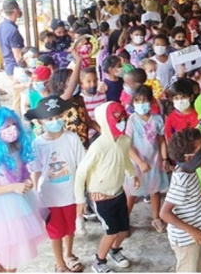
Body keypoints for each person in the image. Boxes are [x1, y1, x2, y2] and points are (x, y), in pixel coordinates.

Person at [0, 107, 47, 271]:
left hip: (18, 205)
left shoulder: (16, 148)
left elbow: (21, 172)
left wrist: (26, 182)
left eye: (13, 124)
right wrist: (13, 187)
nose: (12, 129)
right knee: (4, 257)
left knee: (15, 256)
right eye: (5, 126)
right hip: (0, 211)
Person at [74, 101, 139, 272]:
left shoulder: (124, 140)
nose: (121, 123)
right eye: (116, 120)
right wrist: (80, 200)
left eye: (122, 119)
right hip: (101, 197)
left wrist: (132, 174)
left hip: (118, 193)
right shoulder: (98, 146)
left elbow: (124, 159)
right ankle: (99, 262)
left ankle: (115, 250)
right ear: (105, 121)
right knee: (111, 232)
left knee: (124, 230)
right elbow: (81, 172)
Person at [25, 96, 86, 273]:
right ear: (40, 122)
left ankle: (69, 254)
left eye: (58, 117)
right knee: (55, 231)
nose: (55, 121)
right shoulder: (37, 144)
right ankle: (59, 263)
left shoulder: (72, 138)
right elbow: (35, 171)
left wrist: (82, 195)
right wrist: (36, 196)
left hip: (71, 194)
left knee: (70, 227)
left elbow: (82, 166)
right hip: (49, 197)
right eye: (50, 119)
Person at [160, 128, 201, 273]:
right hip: (186, 240)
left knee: (199, 269)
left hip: (195, 237)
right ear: (189, 157)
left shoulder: (188, 169)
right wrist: (192, 231)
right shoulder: (182, 181)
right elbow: (164, 213)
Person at [124, 85, 170, 233]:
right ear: (133, 103)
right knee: (132, 192)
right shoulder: (131, 120)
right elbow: (127, 145)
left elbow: (162, 140)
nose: (141, 104)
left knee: (155, 190)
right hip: (136, 163)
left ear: (151, 102)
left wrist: (164, 158)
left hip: (154, 161)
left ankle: (156, 218)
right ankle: (124, 222)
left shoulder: (157, 119)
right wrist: (139, 162)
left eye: (144, 100)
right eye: (137, 101)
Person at [0, 0, 26, 111]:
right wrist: (26, 69)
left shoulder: (0, 27)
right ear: (15, 10)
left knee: (17, 98)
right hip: (16, 67)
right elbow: (18, 55)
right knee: (19, 100)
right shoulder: (12, 30)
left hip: (8, 64)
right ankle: (16, 123)